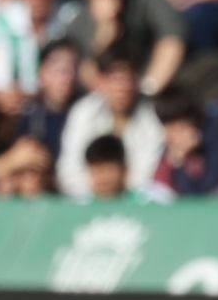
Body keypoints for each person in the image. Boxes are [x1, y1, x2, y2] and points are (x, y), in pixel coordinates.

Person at [57, 51, 164, 199]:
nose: (122, 87)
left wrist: (118, 189)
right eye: (116, 80)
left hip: (135, 203)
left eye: (128, 80)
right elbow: (69, 169)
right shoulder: (83, 111)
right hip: (85, 202)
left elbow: (147, 172)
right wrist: (99, 192)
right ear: (101, 81)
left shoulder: (152, 117)